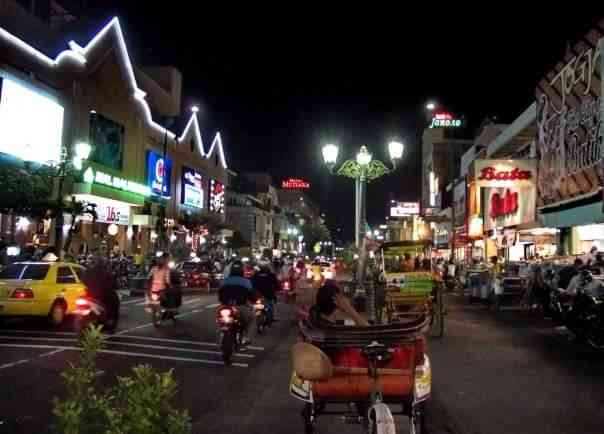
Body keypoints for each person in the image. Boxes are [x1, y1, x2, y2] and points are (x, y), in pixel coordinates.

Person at [219, 260, 256, 344]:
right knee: (252, 317)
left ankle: (222, 334)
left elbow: (220, 294)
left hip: (226, 307)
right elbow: (252, 295)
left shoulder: (225, 281)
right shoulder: (246, 282)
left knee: (221, 320)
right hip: (241, 307)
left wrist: (224, 302)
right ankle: (246, 337)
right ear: (242, 270)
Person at [81, 255, 120, 331]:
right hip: (102, 297)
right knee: (115, 302)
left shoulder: (88, 272)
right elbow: (115, 285)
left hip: (89, 296)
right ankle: (110, 322)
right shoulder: (108, 274)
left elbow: (83, 281)